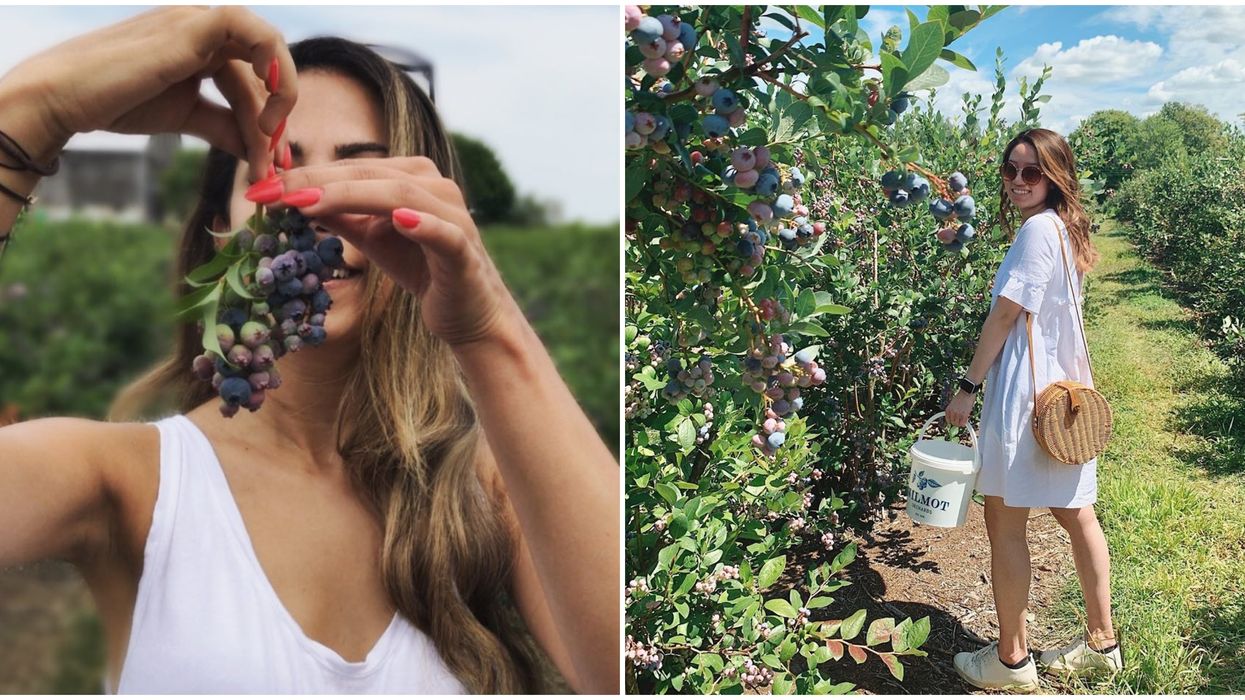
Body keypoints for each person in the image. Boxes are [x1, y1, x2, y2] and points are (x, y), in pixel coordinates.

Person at [0, 7, 618, 694]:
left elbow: (635, 669)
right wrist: (30, 112)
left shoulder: (486, 491)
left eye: (363, 174)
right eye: (278, 173)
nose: (314, 209)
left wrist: (489, 332)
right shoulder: (125, 480)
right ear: (219, 232)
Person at [943, 128, 1120, 690]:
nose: (1018, 181)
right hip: (1065, 399)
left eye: (1032, 172)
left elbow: (1004, 317)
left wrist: (967, 387)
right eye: (1010, 170)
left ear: (1056, 175)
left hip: (1026, 398)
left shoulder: (1037, 231)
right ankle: (1102, 644)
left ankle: (1010, 660)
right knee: (1077, 514)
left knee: (1005, 520)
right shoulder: (1067, 230)